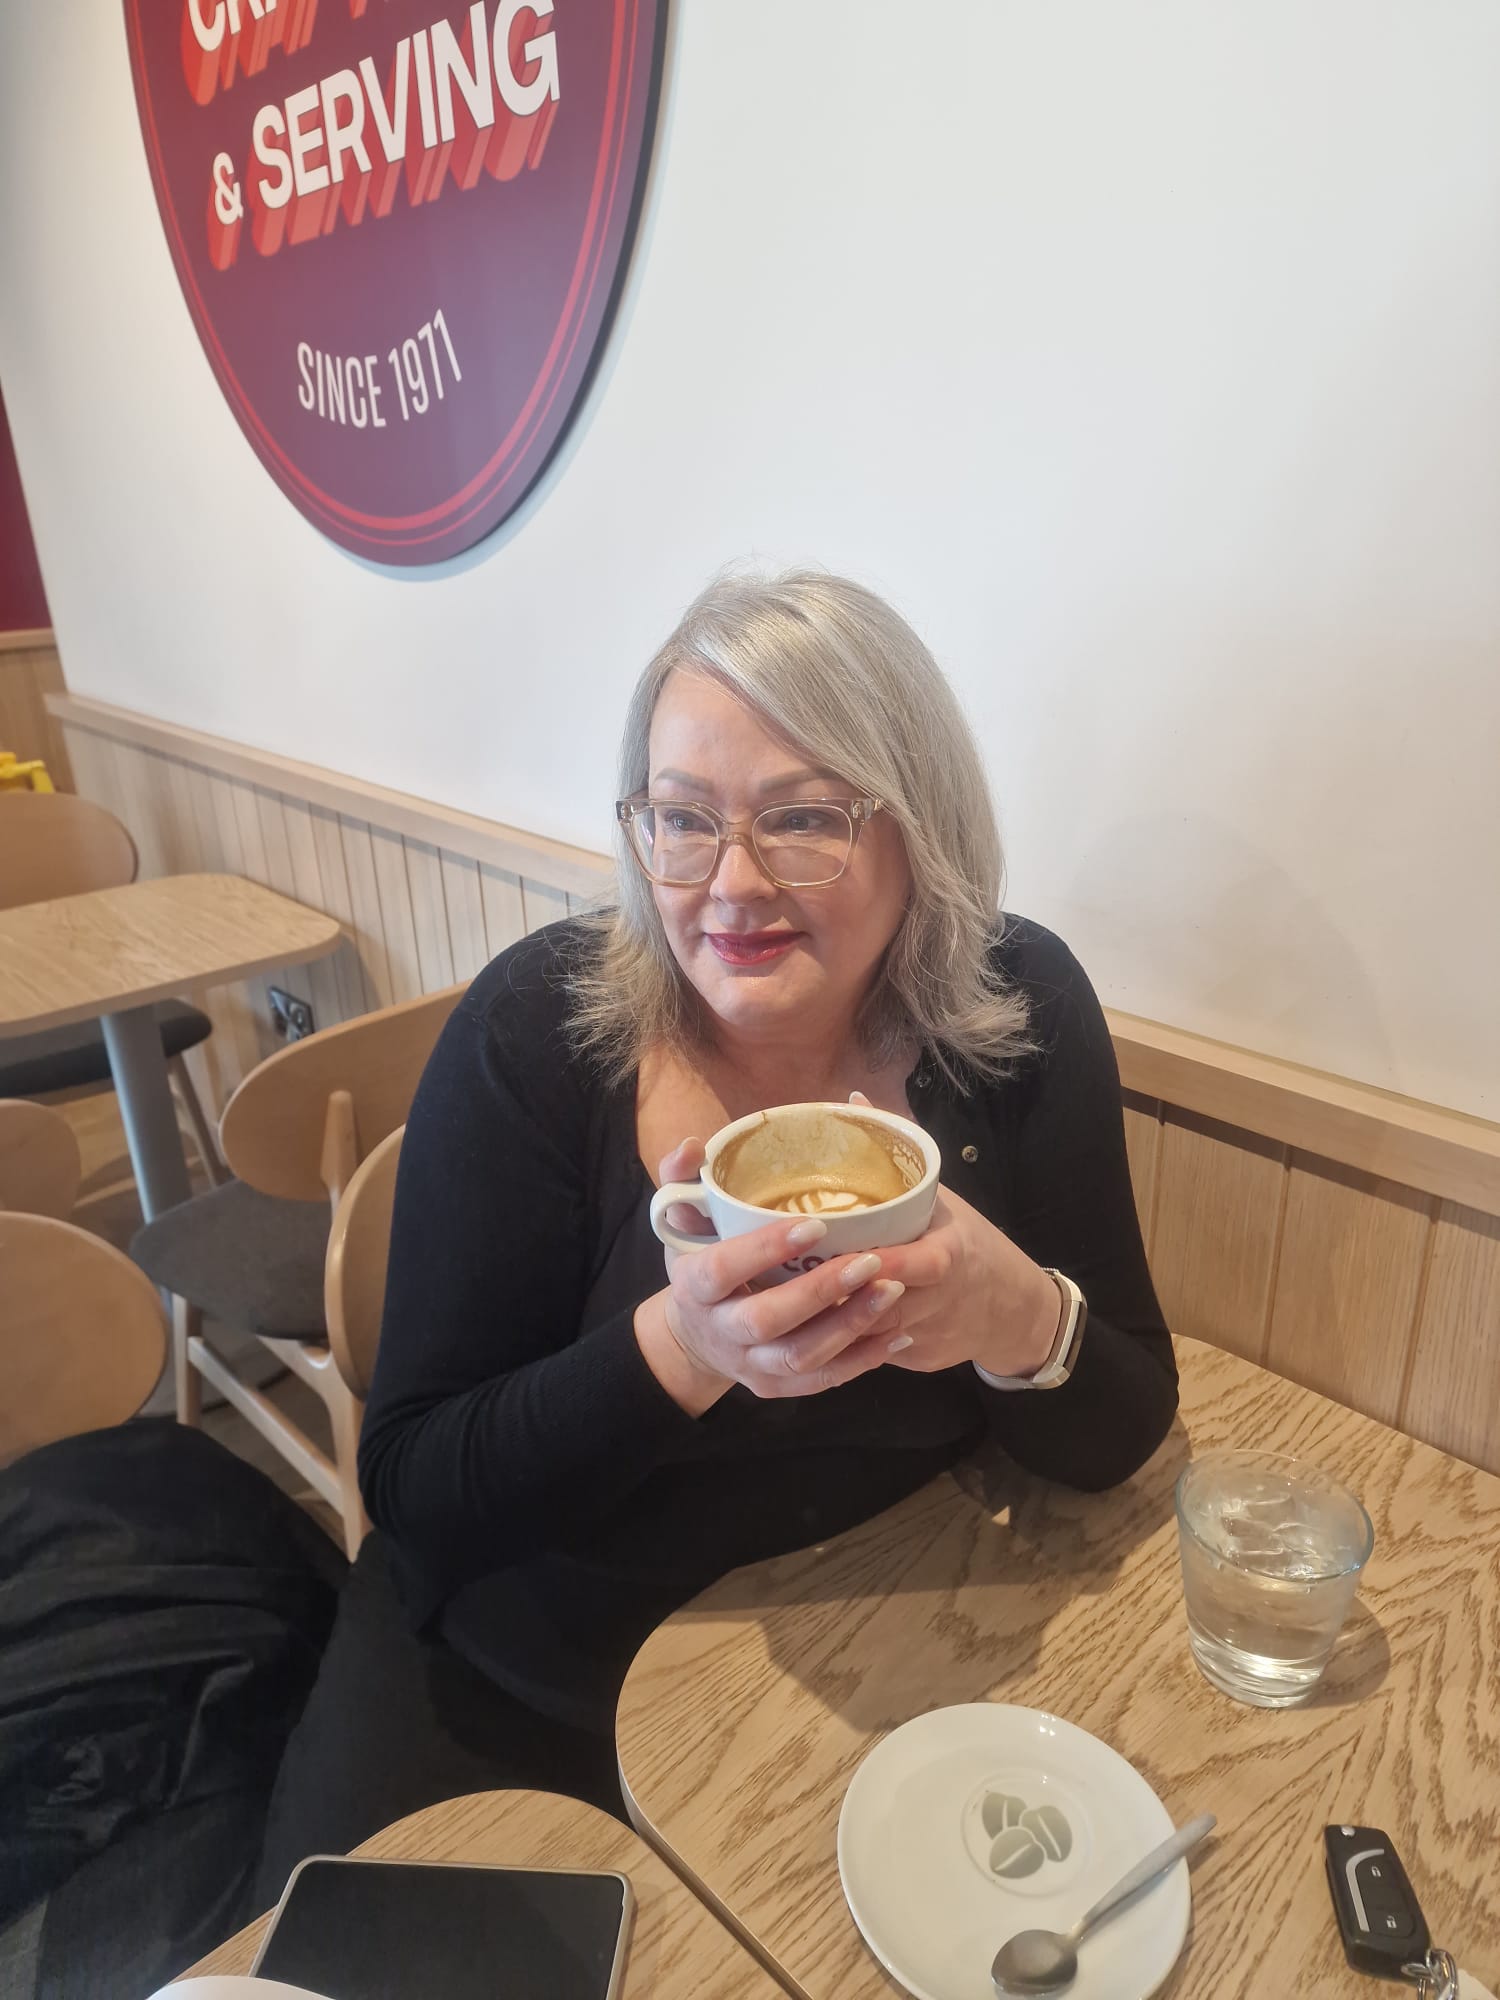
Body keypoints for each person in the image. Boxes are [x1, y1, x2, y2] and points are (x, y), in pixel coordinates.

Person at [255, 570, 1177, 1895]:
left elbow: (1124, 1429)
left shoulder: (1016, 1011)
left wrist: (1015, 1314)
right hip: (534, 1683)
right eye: (682, 820)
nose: (730, 885)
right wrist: (681, 1351)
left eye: (801, 819)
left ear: (920, 827)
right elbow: (414, 1498)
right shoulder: (535, 1036)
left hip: (882, 1649)